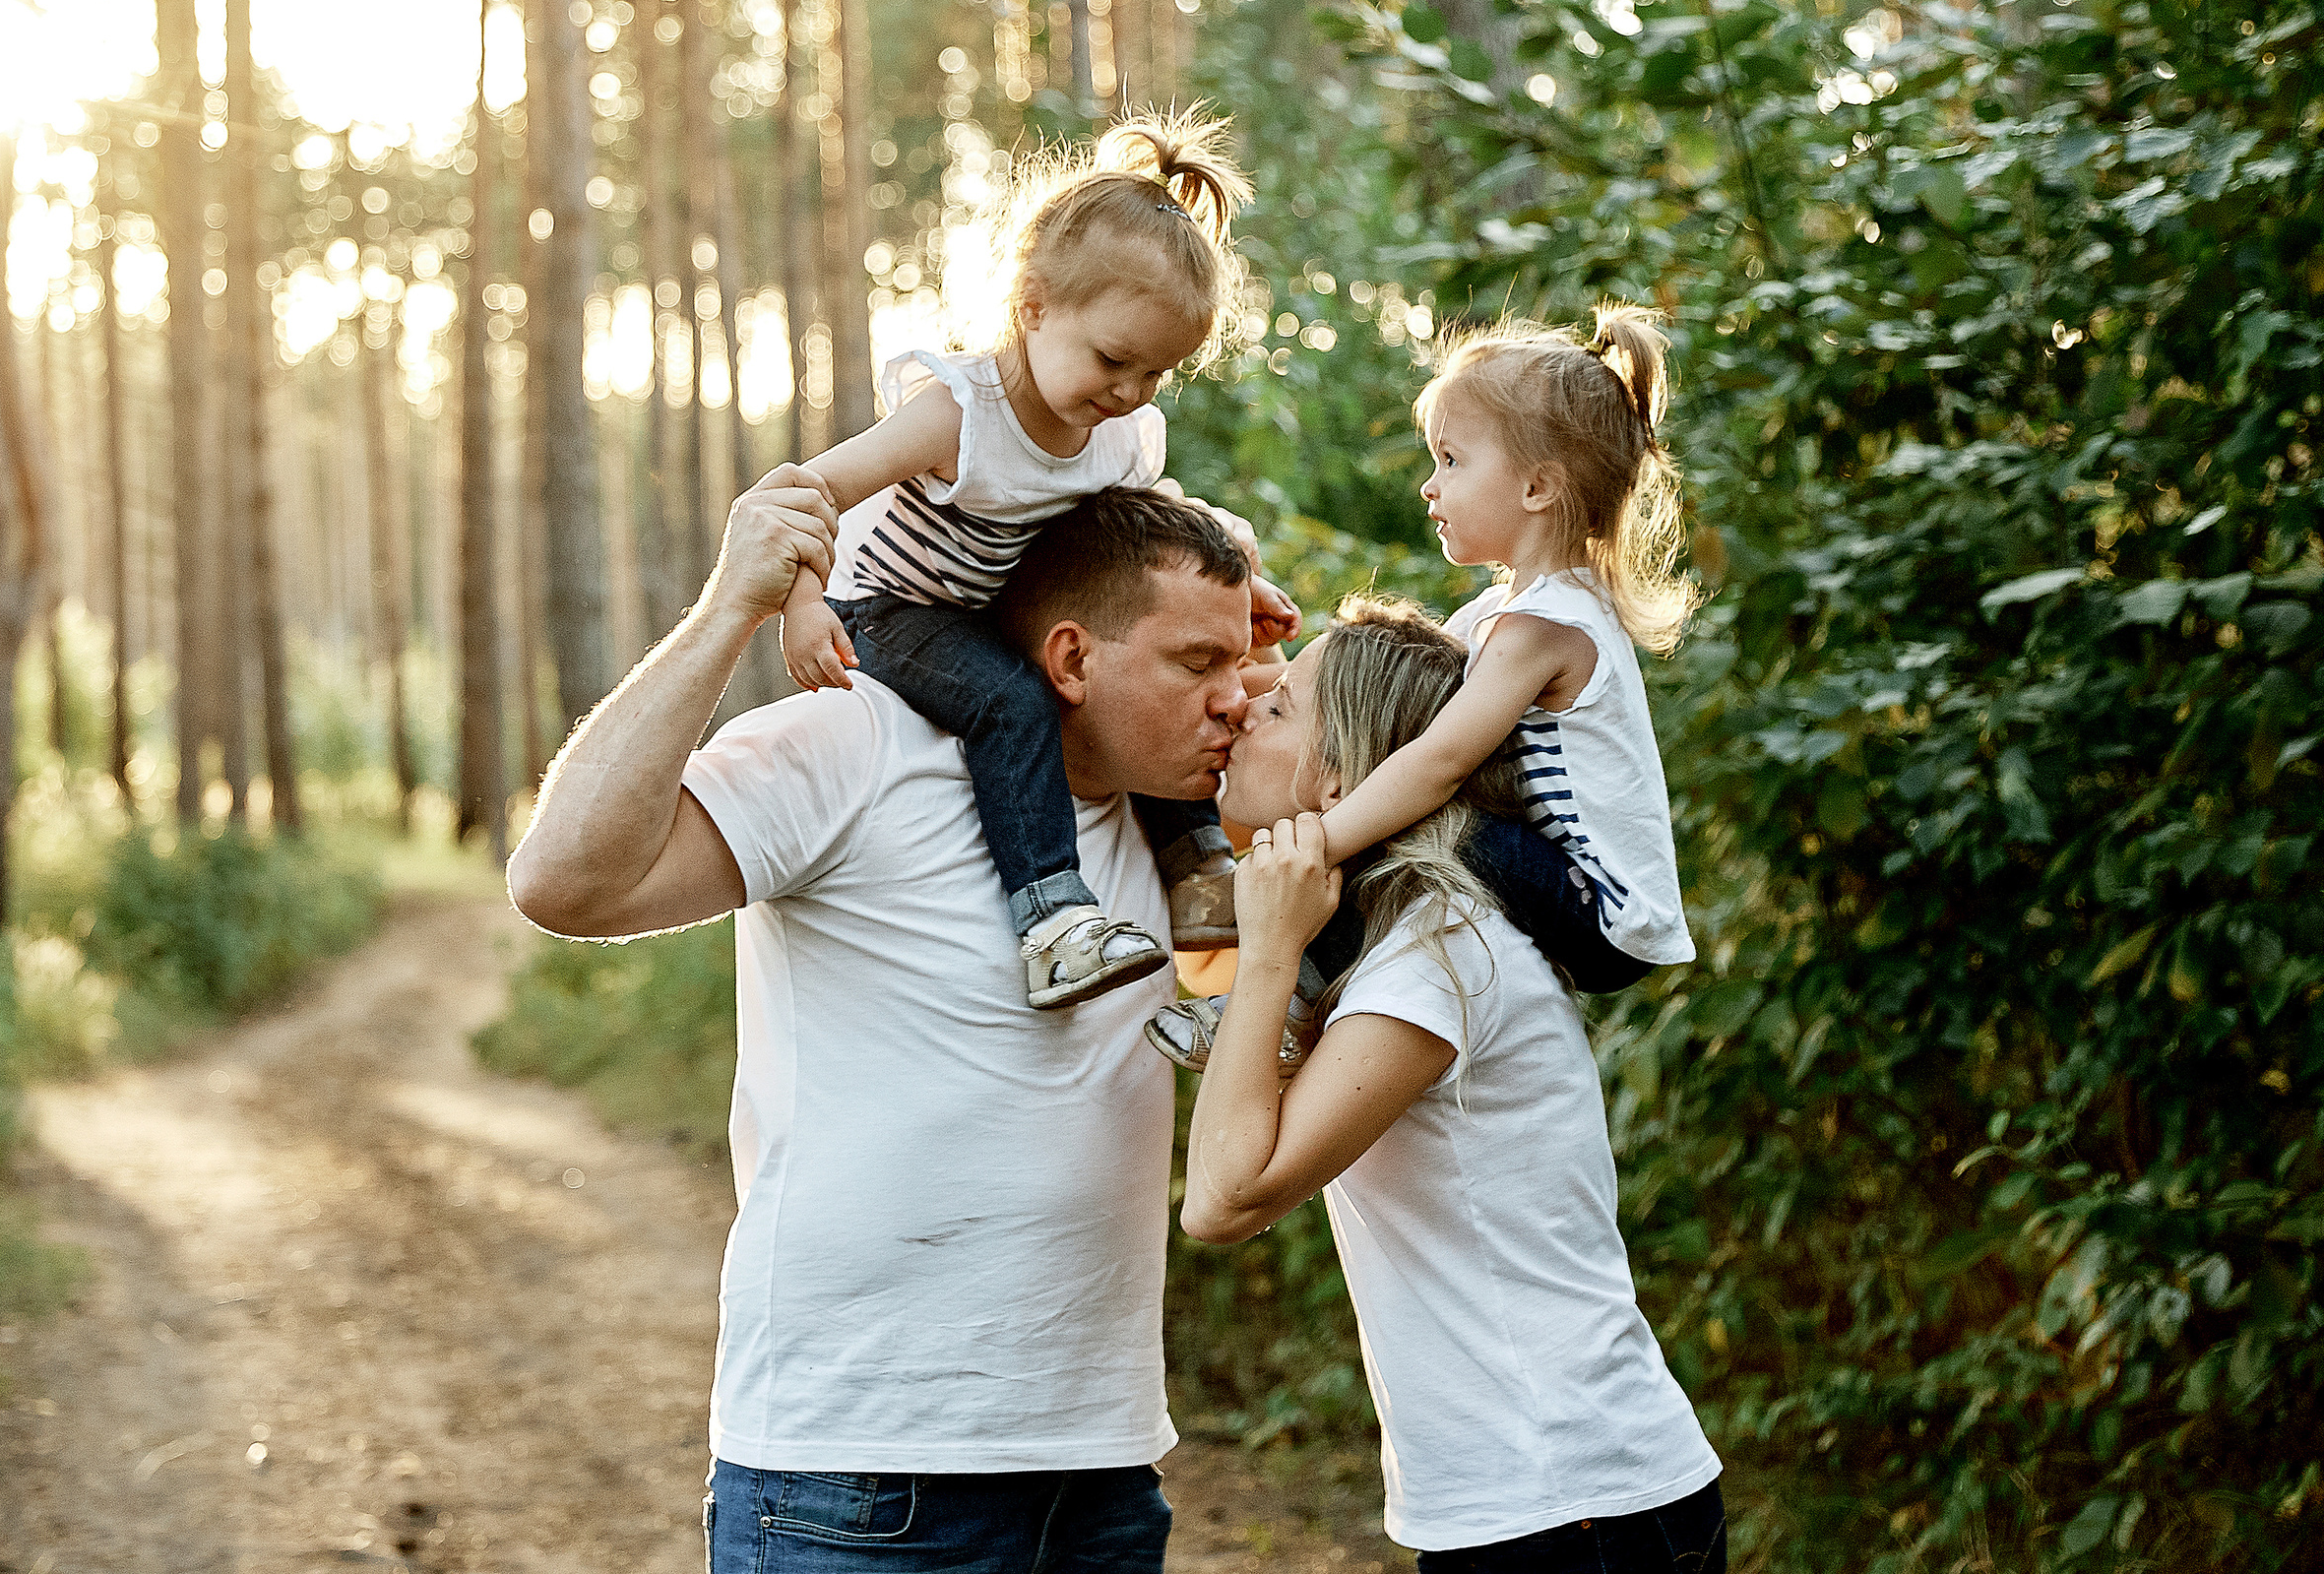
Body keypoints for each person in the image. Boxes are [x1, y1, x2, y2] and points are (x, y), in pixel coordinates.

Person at [506, 478, 1260, 1572]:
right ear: (1071, 658)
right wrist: (729, 610)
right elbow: (562, 882)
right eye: (1198, 664)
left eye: (1239, 664)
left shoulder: (1181, 830)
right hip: (860, 1480)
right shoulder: (862, 745)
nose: (1233, 697)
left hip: (1101, 1476)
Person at [1180, 596, 1725, 1573]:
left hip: (1571, 1505)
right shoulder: (1401, 939)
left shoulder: (1437, 956)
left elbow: (1223, 1199)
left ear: (1344, 770)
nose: (1243, 718)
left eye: (1279, 711)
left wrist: (1269, 952)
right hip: (1532, 1503)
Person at [778, 109, 1298, 1012]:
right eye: (1113, 360)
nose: (1130, 392)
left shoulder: (1122, 432)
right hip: (891, 607)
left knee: (1145, 699)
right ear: (1033, 305)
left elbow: (1148, 531)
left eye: (1156, 375)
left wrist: (1240, 588)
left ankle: (1201, 869)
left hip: (998, 607)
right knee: (1011, 701)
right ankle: (1053, 918)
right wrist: (801, 602)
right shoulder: (959, 413)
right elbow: (806, 491)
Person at [1149, 306, 1699, 1075]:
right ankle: (1275, 982)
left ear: (1538, 486)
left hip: (1601, 912)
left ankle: (1279, 1008)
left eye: (1451, 459)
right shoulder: (1507, 614)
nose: (1429, 484)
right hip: (1563, 880)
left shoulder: (1550, 624)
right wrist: (1232, 659)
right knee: (1400, 810)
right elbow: (1353, 697)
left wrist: (1325, 840)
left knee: (1406, 824)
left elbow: (1436, 761)